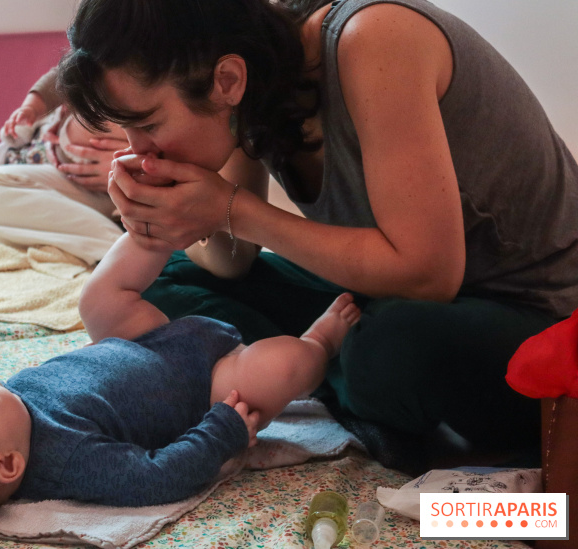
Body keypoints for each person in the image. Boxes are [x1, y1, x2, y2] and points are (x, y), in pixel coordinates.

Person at [55, 0, 578, 463]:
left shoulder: (376, 38)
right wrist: (162, 225)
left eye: (147, 124)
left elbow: (430, 275)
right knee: (163, 283)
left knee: (391, 349)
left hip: (535, 315)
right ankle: (322, 369)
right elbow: (233, 260)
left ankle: (325, 374)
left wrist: (229, 208)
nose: (139, 149)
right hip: (384, 293)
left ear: (227, 80)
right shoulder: (247, 78)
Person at [0, 232, 361, 529]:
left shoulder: (10, 412)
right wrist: (222, 430)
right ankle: (322, 341)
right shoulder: (69, 461)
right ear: (8, 465)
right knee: (278, 370)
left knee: (95, 300)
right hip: (205, 384)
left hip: (139, 341)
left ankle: (153, 230)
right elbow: (156, 476)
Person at [0, 68, 129, 264]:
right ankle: (113, 252)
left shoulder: (160, 70)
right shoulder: (97, 61)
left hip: (133, 194)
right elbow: (65, 73)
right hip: (70, 182)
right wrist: (32, 107)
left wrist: (132, 168)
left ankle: (119, 255)